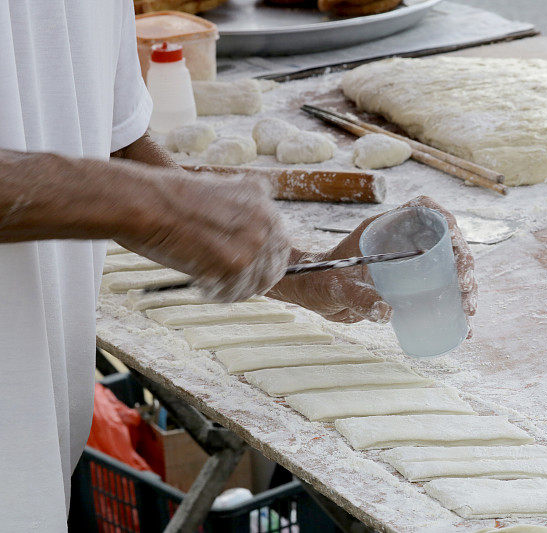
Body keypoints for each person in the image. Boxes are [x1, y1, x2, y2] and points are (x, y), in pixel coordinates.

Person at [0, 2, 476, 530]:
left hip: (32, 447)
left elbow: (102, 142)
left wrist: (302, 273)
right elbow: (121, 189)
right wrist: (155, 207)